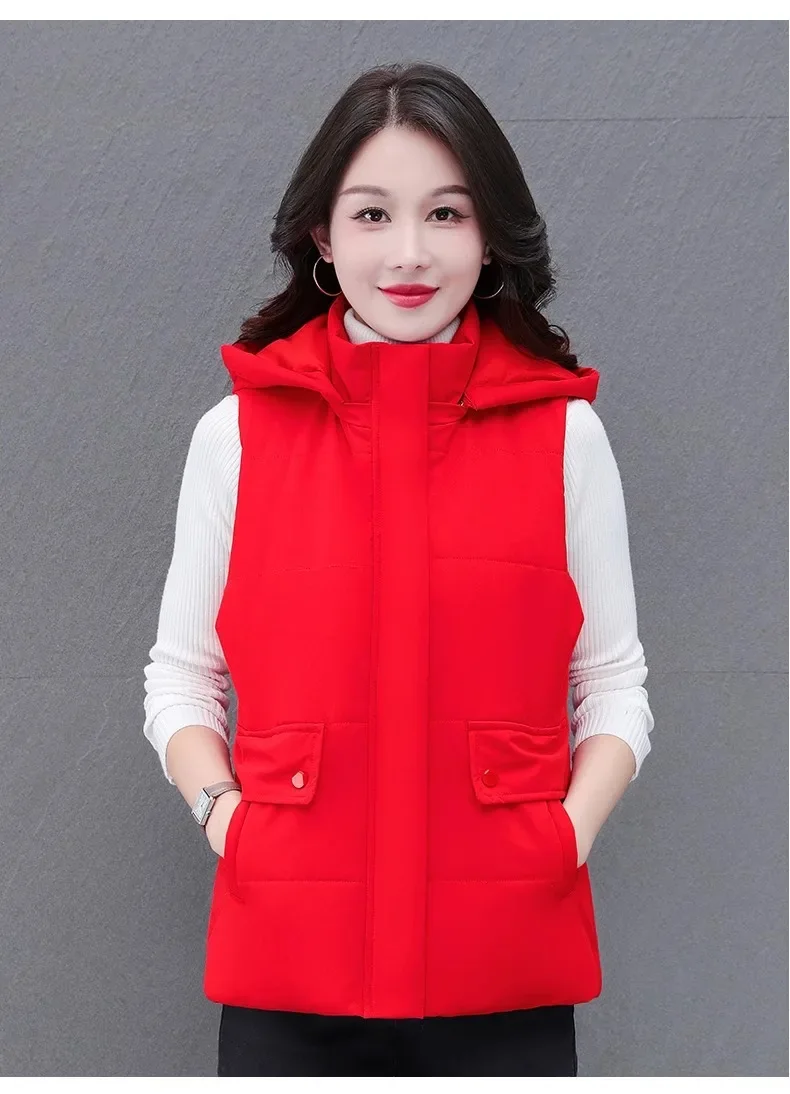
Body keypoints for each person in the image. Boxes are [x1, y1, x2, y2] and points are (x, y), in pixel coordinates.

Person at [143, 61, 654, 1077]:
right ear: (323, 238)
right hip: (288, 970)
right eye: (373, 214)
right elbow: (181, 678)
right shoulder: (237, 434)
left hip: (504, 969)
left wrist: (563, 840)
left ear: (489, 236)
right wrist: (227, 821)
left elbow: (613, 685)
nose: (411, 252)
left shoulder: (564, 436)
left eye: (446, 213)